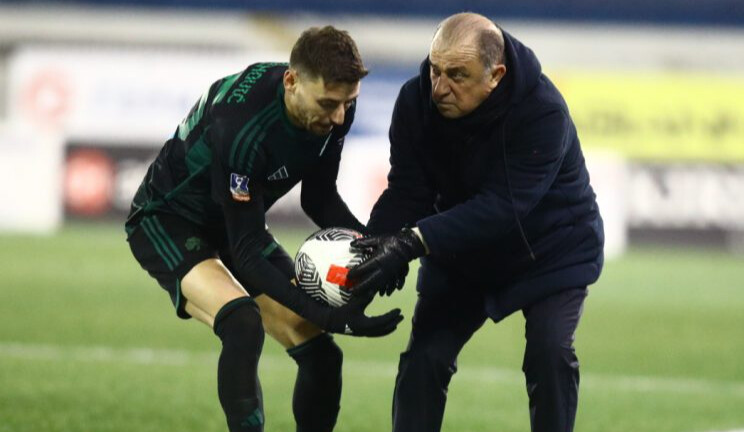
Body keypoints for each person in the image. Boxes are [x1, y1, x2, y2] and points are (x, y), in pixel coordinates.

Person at [125, 26, 403, 432]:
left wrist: (378, 249)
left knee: (323, 356)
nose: (339, 117)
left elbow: (319, 199)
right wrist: (331, 316)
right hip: (166, 220)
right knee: (242, 323)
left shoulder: (334, 109)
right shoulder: (241, 124)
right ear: (291, 81)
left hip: (233, 223)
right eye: (329, 103)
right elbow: (249, 250)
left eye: (348, 103)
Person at [348, 12, 605, 432]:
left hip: (551, 249)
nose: (439, 87)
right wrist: (374, 248)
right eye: (435, 69)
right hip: (460, 253)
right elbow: (408, 189)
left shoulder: (543, 112)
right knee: (424, 359)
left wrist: (412, 241)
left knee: (549, 352)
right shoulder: (415, 102)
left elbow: (503, 207)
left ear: (496, 75)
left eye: (457, 75)